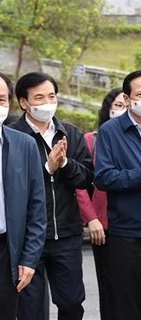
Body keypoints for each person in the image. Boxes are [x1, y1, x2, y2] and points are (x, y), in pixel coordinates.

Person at [10, 71, 93, 320]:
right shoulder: (14, 137)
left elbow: (87, 178)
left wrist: (65, 164)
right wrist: (47, 169)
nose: (47, 103)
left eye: (51, 96)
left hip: (66, 233)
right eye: (39, 98)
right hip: (28, 236)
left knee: (71, 303)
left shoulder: (69, 133)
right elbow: (15, 185)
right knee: (31, 308)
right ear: (24, 103)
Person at [94, 70, 141, 320]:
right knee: (127, 305)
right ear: (127, 98)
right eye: (140, 94)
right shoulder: (110, 132)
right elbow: (103, 177)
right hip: (128, 232)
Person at [0, 72, 47, 320]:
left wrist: (29, 260)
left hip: (7, 250)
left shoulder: (23, 145)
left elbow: (36, 208)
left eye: (1, 99)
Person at [76, 87, 125, 319]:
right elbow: (80, 183)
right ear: (108, 108)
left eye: (126, 104)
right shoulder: (91, 140)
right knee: (110, 287)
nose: (122, 109)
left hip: (140, 223)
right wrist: (91, 218)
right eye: (118, 105)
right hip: (103, 225)